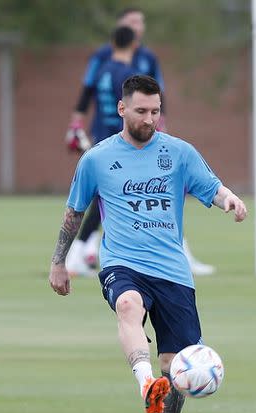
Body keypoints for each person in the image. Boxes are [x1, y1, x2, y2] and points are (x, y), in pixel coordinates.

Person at [50, 75, 247, 413]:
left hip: (173, 271)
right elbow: (74, 212)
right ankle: (146, 385)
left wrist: (230, 200)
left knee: (176, 367)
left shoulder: (179, 153)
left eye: (156, 111)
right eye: (141, 111)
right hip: (123, 262)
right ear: (122, 109)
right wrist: (59, 262)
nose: (150, 119)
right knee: (128, 305)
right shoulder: (97, 159)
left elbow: (212, 186)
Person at [64, 7, 215, 276]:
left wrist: (77, 125)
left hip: (111, 138)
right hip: (126, 142)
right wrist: (156, 124)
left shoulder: (116, 65)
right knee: (159, 193)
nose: (138, 27)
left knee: (106, 198)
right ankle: (175, 253)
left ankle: (82, 253)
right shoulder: (124, 70)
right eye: (133, 23)